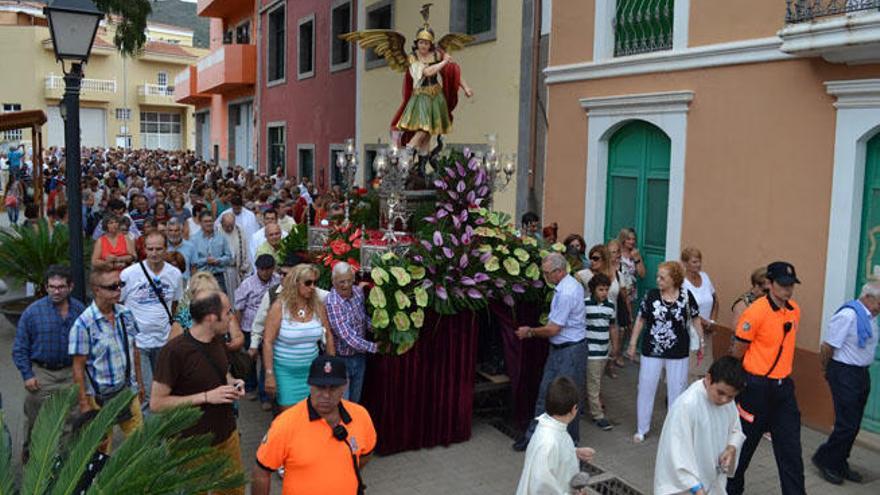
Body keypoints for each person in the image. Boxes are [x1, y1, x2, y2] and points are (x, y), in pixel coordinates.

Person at [150, 291, 246, 495]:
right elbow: (157, 404)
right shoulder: (174, 352)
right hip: (192, 443)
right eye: (228, 312)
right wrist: (206, 397)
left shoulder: (218, 339)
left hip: (227, 434)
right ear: (212, 317)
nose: (232, 317)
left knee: (234, 489)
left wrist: (232, 382)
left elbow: (222, 372)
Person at [727, 261, 805, 495]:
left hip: (783, 391)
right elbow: (738, 351)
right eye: (782, 285)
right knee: (743, 448)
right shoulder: (755, 312)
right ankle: (729, 491)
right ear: (769, 284)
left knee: (791, 452)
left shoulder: (794, 310)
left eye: (791, 285)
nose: (788, 290)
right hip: (755, 389)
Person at [252, 356, 376, 495]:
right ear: (310, 385)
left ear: (345, 386)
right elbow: (261, 472)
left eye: (333, 388)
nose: (326, 395)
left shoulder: (360, 415)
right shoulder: (285, 424)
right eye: (320, 387)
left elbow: (366, 453)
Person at [513, 252, 587, 451]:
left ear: (559, 271)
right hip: (561, 348)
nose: (545, 277)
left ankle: (570, 445)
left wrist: (529, 332)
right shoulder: (565, 286)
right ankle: (534, 437)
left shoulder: (567, 292)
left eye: (547, 273)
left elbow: (554, 329)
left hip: (570, 351)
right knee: (545, 393)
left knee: (568, 398)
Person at [12, 265, 86, 460]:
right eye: (52, 287)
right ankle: (31, 461)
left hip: (71, 373)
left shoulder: (79, 310)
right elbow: (20, 347)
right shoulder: (32, 312)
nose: (56, 291)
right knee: (38, 422)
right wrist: (27, 375)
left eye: (61, 287)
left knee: (71, 421)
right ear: (45, 287)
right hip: (42, 374)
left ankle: (63, 464)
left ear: (70, 287)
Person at [626, 261, 705, 443]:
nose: (658, 280)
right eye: (658, 276)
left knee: (677, 391)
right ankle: (642, 429)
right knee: (646, 387)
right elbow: (640, 320)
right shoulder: (651, 295)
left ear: (674, 279)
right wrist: (632, 343)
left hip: (678, 351)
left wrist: (701, 343)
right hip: (651, 349)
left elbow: (695, 319)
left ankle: (673, 430)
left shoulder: (686, 296)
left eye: (662, 277)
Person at [69, 266, 144, 453]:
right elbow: (78, 368)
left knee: (141, 443)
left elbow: (135, 350)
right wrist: (84, 404)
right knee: (100, 450)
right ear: (96, 290)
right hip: (98, 398)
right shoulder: (83, 324)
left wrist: (140, 384)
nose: (119, 290)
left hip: (127, 391)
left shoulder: (125, 314)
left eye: (121, 285)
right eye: (112, 287)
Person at [811, 281, 880, 485]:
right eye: (879, 302)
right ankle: (825, 460)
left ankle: (840, 462)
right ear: (868, 298)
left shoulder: (870, 318)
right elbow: (827, 346)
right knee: (846, 424)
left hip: (861, 373)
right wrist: (826, 370)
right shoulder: (848, 315)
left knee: (854, 424)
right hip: (844, 372)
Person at [654, 356, 747, 495]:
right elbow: (675, 453)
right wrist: (695, 487)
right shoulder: (687, 405)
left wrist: (731, 448)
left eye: (730, 396)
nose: (724, 400)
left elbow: (735, 429)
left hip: (713, 480)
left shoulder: (727, 402)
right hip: (687, 488)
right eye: (720, 393)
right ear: (709, 378)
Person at [390, 9, 473, 162]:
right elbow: (427, 72)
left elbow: (453, 71)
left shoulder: (436, 54)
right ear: (417, 43)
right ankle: (407, 150)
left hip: (436, 96)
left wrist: (466, 87)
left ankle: (422, 166)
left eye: (426, 43)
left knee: (429, 133)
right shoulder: (413, 58)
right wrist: (444, 61)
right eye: (421, 42)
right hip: (420, 97)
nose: (423, 45)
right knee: (424, 129)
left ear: (430, 44)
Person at [120, 231, 183, 412]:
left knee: (165, 391)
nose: (154, 253)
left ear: (166, 249)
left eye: (158, 249)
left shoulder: (175, 274)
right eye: (150, 249)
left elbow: (176, 305)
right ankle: (151, 438)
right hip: (139, 344)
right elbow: (118, 303)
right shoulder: (128, 274)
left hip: (164, 342)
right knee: (146, 393)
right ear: (144, 249)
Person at [264, 264, 335, 411]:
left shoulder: (318, 306)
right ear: (295, 283)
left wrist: (331, 365)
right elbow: (268, 342)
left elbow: (328, 334)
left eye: (315, 282)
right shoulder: (279, 307)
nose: (312, 287)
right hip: (285, 373)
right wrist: (269, 374)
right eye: (308, 283)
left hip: (313, 373)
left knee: (312, 416)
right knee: (290, 418)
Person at [515, 376, 595, 495]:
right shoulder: (548, 442)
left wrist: (575, 452)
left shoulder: (551, 427)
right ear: (574, 409)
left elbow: (555, 457)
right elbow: (541, 486)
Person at [326, 262, 377, 403]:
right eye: (342, 282)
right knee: (343, 402)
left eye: (349, 280)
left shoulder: (358, 293)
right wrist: (374, 347)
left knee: (355, 401)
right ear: (333, 282)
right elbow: (347, 336)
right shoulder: (332, 302)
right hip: (342, 360)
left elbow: (362, 318)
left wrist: (376, 327)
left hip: (359, 356)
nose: (346, 285)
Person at [234, 254, 282, 400]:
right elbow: (238, 307)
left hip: (271, 326)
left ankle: (264, 394)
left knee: (267, 358)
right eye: (262, 269)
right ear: (257, 268)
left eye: (268, 269)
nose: (265, 272)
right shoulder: (247, 284)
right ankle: (250, 386)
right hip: (249, 327)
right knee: (250, 358)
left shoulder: (278, 281)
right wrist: (238, 330)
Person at [584, 273, 616, 431]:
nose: (604, 292)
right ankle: (598, 415)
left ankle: (585, 406)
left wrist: (614, 346)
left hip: (604, 350)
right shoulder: (584, 305)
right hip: (592, 351)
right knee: (594, 383)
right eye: (601, 289)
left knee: (595, 381)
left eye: (606, 289)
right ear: (593, 289)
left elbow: (612, 326)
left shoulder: (610, 306)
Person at [681, 247, 719, 381]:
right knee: (690, 369)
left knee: (705, 367)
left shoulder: (705, 277)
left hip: (706, 331)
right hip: (690, 331)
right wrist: (703, 323)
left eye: (699, 261)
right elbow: (686, 308)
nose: (698, 265)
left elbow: (715, 300)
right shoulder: (682, 283)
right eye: (694, 262)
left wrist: (712, 322)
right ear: (685, 263)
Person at [191, 210, 233, 293]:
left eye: (210, 221)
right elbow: (192, 261)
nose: (208, 223)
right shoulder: (194, 240)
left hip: (218, 277)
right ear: (200, 223)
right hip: (201, 277)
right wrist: (205, 261)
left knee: (221, 302)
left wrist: (218, 260)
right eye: (205, 221)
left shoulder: (221, 238)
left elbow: (229, 257)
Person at [219, 211, 252, 303]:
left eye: (231, 226)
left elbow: (244, 248)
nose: (230, 228)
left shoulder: (239, 230)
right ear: (222, 223)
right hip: (222, 270)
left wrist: (244, 266)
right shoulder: (216, 232)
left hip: (236, 269)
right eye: (227, 226)